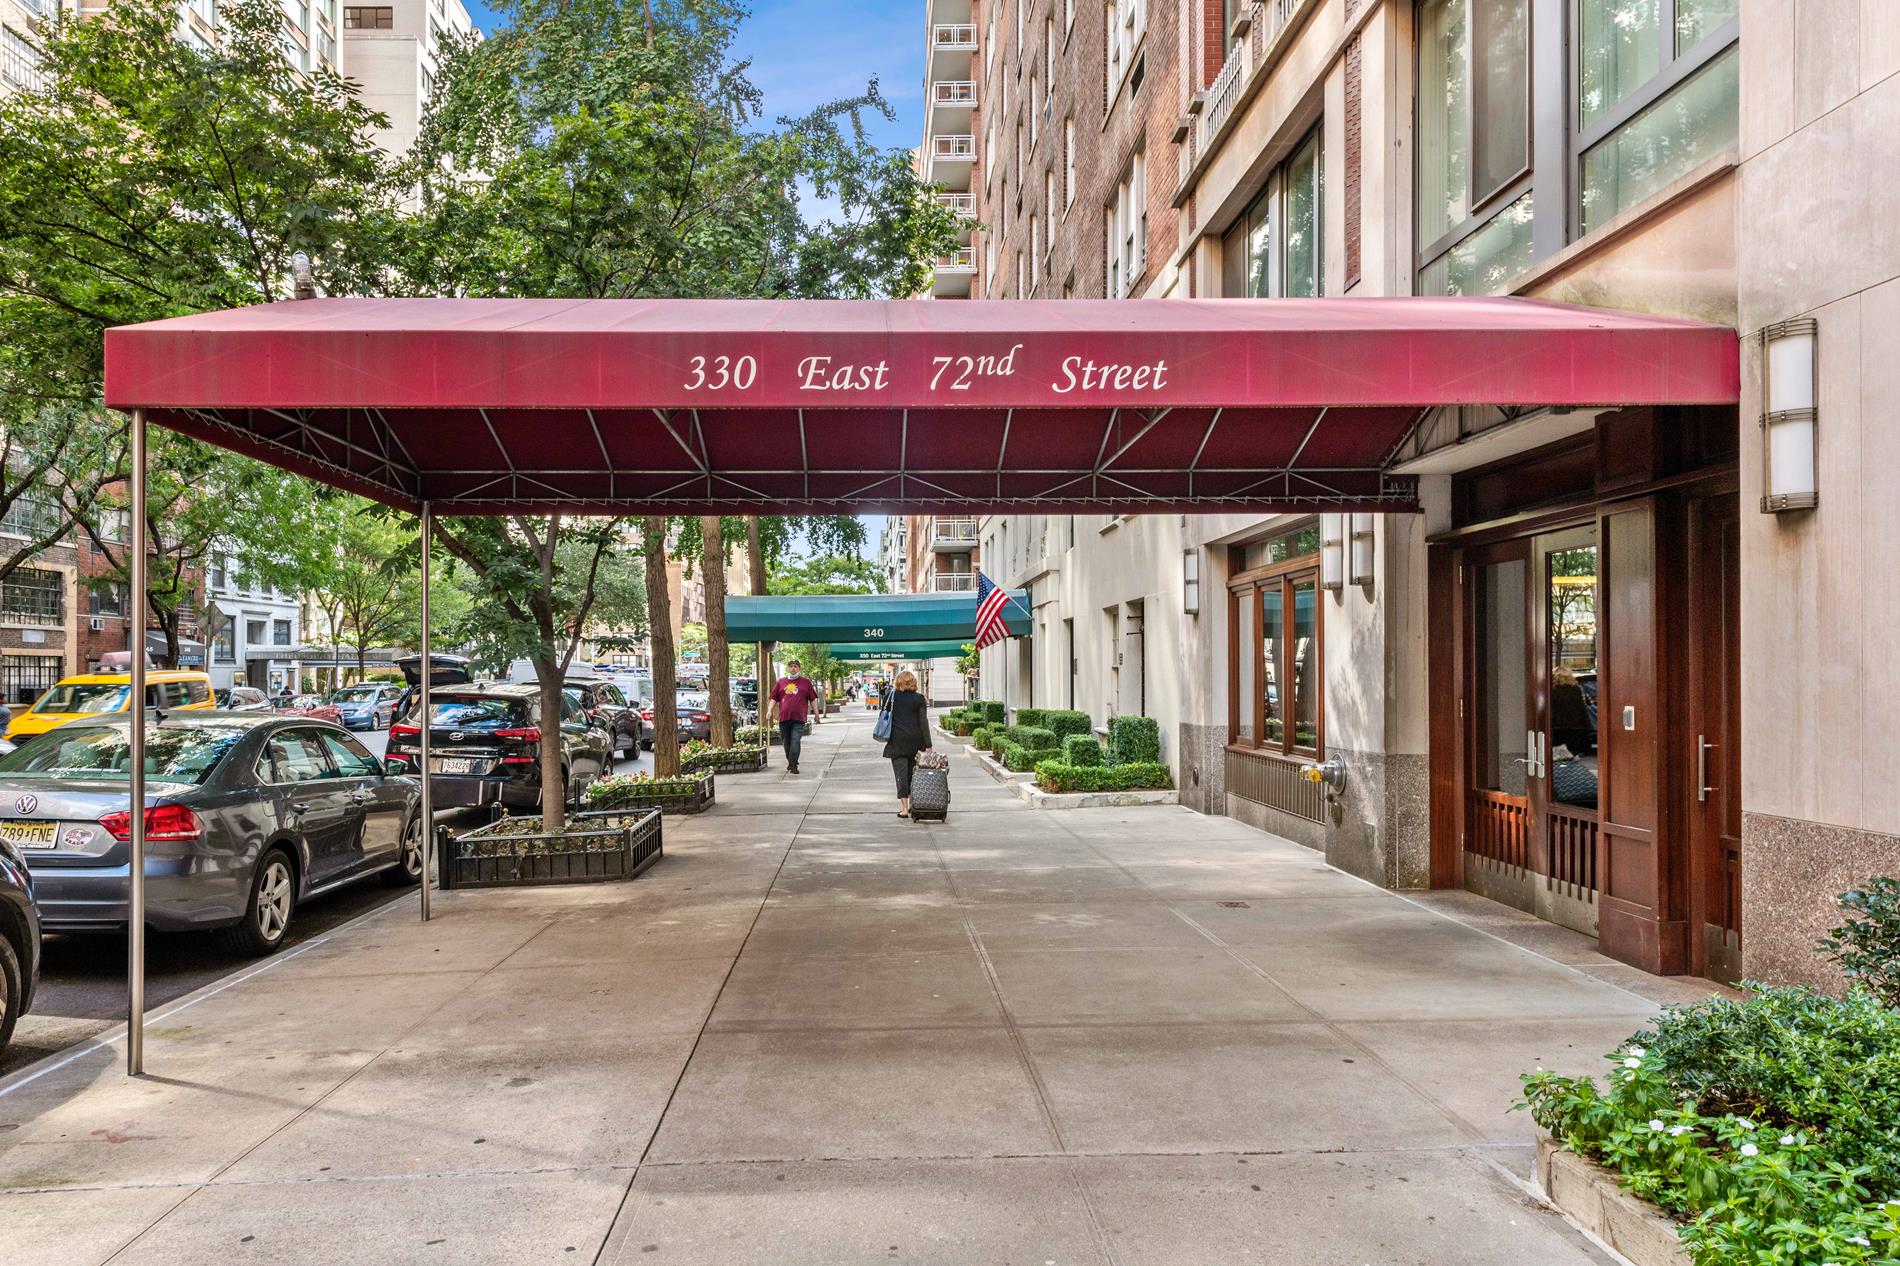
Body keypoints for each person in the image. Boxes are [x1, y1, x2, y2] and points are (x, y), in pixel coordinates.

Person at [881, 669, 932, 818]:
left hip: (897, 741)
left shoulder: (891, 697)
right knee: (913, 774)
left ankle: (904, 808)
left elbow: (883, 717)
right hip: (916, 742)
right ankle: (913, 804)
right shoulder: (919, 699)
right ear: (913, 683)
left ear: (898, 682)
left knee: (901, 775)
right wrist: (928, 744)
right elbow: (923, 722)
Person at [769, 658, 818, 774]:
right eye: (791, 666)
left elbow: (813, 699)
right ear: (788, 668)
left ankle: (793, 764)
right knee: (786, 742)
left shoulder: (805, 683)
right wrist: (769, 710)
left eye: (795, 666)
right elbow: (774, 698)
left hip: (799, 718)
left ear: (799, 668)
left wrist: (816, 714)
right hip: (784, 718)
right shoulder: (781, 682)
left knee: (795, 741)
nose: (793, 668)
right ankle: (791, 761)